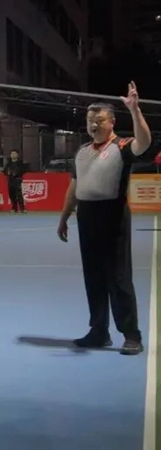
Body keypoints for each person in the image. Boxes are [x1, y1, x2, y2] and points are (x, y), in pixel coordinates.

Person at [57, 82, 152, 356]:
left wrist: (135, 110)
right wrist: (64, 217)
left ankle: (131, 335)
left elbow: (144, 143)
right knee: (94, 278)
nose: (94, 124)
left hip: (113, 217)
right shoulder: (82, 152)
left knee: (119, 278)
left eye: (99, 120)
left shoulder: (122, 147)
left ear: (112, 122)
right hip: (86, 218)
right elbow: (75, 186)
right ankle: (99, 331)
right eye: (90, 120)